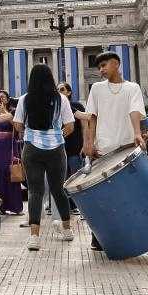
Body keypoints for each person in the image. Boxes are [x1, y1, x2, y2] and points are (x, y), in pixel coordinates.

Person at [82, 51, 147, 251]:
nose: (101, 70)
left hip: (126, 148)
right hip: (103, 148)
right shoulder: (97, 89)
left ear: (116, 64)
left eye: (104, 65)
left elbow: (134, 110)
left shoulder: (132, 88)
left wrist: (137, 133)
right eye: (99, 66)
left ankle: (128, 235)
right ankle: (98, 237)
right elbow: (91, 117)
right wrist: (89, 143)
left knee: (128, 194)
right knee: (102, 196)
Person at [13, 64, 75, 251]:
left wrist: (29, 134)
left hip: (32, 149)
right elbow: (70, 125)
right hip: (56, 149)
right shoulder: (61, 99)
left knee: (35, 191)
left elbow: (17, 124)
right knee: (58, 190)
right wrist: (57, 136)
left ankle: (34, 237)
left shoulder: (25, 99)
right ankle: (66, 229)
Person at [0, 90, 23, 215]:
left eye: (3, 97)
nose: (0, 99)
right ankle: (1, 206)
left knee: (11, 172)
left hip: (9, 145)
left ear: (7, 99)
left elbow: (17, 127)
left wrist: (5, 112)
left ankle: (15, 206)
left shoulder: (13, 111)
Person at [59, 82, 84, 214]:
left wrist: (85, 143)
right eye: (57, 90)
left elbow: (85, 124)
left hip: (75, 147)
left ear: (68, 92)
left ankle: (77, 205)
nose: (59, 91)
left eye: (62, 89)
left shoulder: (76, 106)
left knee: (75, 176)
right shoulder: (56, 107)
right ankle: (66, 206)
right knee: (62, 179)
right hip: (60, 148)